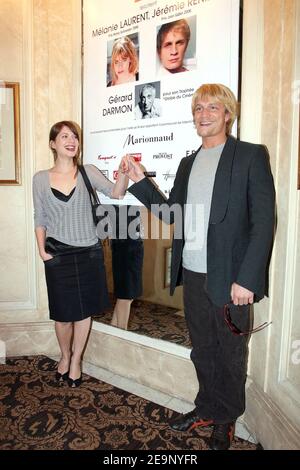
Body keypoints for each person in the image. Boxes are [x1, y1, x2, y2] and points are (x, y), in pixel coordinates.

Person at [122, 84, 275, 450]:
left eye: (212, 107)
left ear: (227, 114)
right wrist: (139, 180)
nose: (203, 114)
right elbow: (170, 212)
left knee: (230, 353)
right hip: (192, 272)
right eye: (198, 109)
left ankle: (226, 418)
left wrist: (247, 279)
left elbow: (263, 222)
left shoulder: (251, 156)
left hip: (232, 280)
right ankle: (206, 407)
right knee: (202, 349)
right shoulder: (187, 163)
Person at [32, 121, 128, 388]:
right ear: (53, 144)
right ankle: (64, 355)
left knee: (84, 313)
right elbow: (39, 216)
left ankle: (75, 361)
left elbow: (116, 193)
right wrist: (42, 250)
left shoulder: (88, 172)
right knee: (63, 316)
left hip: (88, 253)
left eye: (74, 136)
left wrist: (124, 173)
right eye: (64, 136)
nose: (71, 140)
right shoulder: (40, 178)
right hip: (57, 254)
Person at [108, 205, 144, 330]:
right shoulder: (120, 193)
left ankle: (113, 331)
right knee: (127, 294)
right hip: (126, 243)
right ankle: (121, 333)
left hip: (130, 241)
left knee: (128, 293)